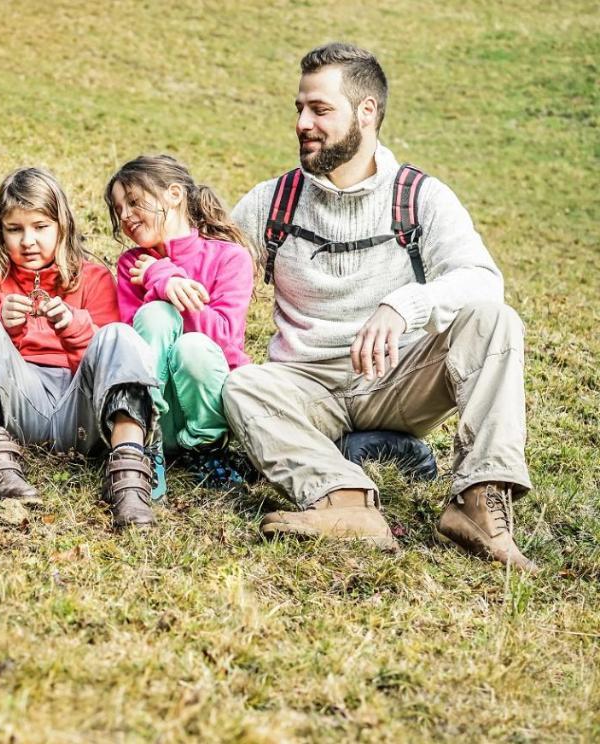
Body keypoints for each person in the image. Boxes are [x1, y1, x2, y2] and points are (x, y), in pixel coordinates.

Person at [223, 42, 536, 569]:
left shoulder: (420, 198)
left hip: (396, 383)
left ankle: (478, 503)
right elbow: (213, 272)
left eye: (320, 109)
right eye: (300, 108)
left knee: (493, 320)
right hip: (304, 389)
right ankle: (345, 504)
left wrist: (403, 306)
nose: (302, 122)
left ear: (366, 112)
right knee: (242, 385)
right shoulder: (269, 202)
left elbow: (483, 280)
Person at [0, 168, 160, 531]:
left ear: (62, 226)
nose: (28, 241)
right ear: (0, 231)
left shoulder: (93, 276)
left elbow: (106, 365)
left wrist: (75, 328)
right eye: (15, 229)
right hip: (15, 411)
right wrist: (2, 324)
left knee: (119, 335)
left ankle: (129, 478)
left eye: (40, 227)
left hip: (82, 413)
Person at [105, 154, 255, 488]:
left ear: (174, 194)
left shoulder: (229, 258)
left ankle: (207, 452)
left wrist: (163, 275)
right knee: (155, 314)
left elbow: (226, 341)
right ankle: (145, 442)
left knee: (193, 346)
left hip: (206, 405)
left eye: (133, 202)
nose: (126, 216)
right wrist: (160, 281)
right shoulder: (132, 264)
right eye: (119, 210)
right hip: (158, 413)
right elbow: (134, 342)